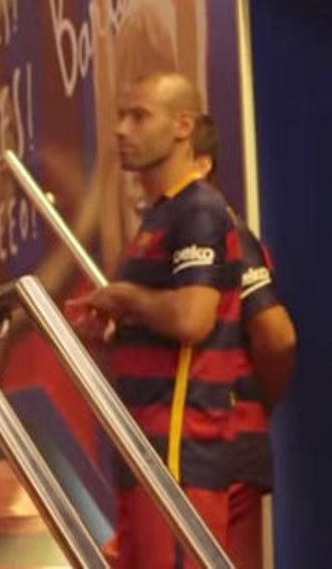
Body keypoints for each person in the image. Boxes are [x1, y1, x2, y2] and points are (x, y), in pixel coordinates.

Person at [69, 72, 243, 568]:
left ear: (183, 126)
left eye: (139, 116)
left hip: (179, 451)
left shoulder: (200, 210)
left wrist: (127, 296)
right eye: (121, 116)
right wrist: (111, 333)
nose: (121, 129)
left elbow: (192, 319)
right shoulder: (162, 215)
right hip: (143, 444)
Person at [190, 113, 296, 569]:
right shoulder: (170, 236)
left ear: (202, 164)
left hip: (222, 447)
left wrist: (253, 404)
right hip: (184, 448)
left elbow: (277, 338)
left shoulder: (224, 233)